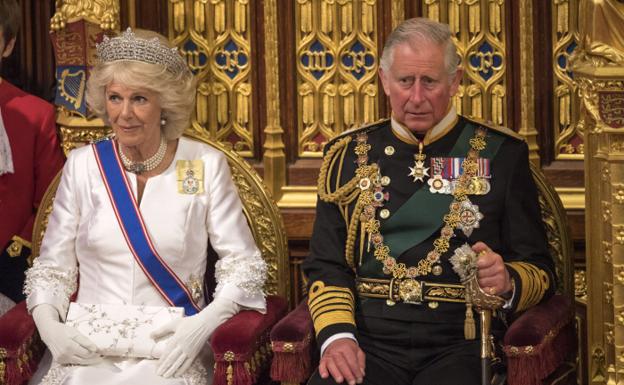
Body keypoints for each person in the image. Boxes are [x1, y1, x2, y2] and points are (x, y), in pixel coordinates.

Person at [303, 18, 556, 385]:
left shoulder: (502, 154)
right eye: (406, 81)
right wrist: (338, 337)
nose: (417, 97)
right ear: (385, 80)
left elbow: (542, 270)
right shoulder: (347, 156)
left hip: (461, 344)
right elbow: (326, 264)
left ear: (455, 82)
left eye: (431, 82)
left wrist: (508, 281)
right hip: (370, 341)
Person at [23, 28, 267, 385]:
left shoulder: (203, 164)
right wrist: (48, 326)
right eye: (115, 98)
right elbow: (52, 268)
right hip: (89, 346)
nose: (124, 114)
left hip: (171, 345)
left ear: (164, 103)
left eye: (139, 99)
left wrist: (202, 325)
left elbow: (242, 265)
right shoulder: (82, 165)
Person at [0, 0, 65, 315]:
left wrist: (11, 261)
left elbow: (51, 204)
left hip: (7, 271)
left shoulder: (36, 114)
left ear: (8, 45)